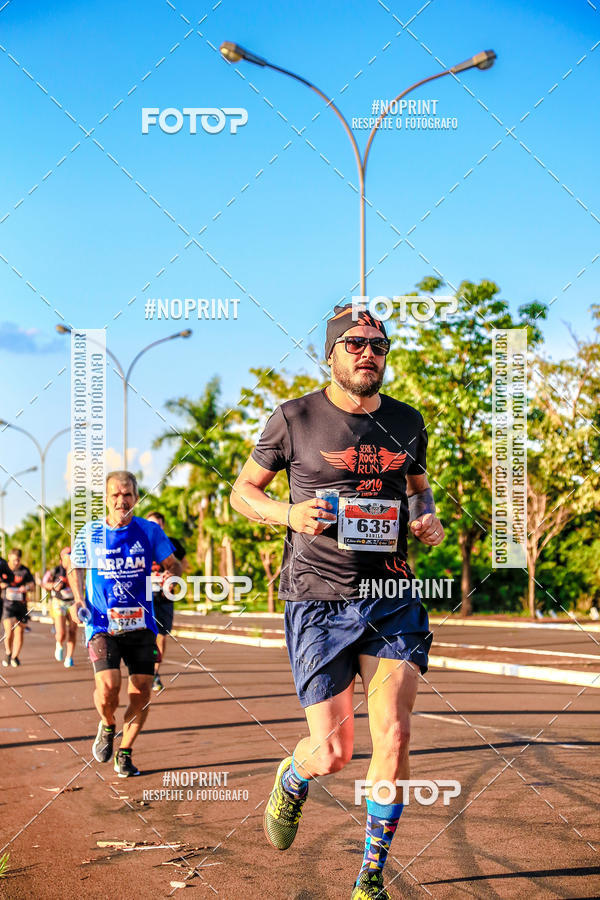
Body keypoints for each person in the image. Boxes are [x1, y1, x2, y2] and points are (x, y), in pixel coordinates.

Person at [230, 303, 445, 899]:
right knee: (332, 754)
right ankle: (293, 777)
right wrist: (289, 514)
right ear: (331, 352)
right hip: (318, 599)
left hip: (391, 596)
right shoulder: (294, 418)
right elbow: (242, 492)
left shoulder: (408, 422)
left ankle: (371, 875)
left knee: (394, 735)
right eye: (354, 344)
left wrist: (428, 522)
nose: (367, 353)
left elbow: (419, 495)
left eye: (378, 344)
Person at [66, 471, 182, 777]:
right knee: (108, 688)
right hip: (101, 623)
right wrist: (78, 600)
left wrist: (172, 575)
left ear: (136, 498)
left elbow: (174, 564)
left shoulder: (149, 531)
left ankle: (125, 752)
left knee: (142, 690)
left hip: (141, 624)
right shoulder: (89, 533)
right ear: (105, 499)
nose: (122, 500)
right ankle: (107, 725)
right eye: (115, 495)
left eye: (128, 494)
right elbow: (75, 568)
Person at [145, 511, 187, 693]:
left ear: (162, 526)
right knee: (146, 634)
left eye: (157, 525)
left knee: (161, 635)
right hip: (143, 595)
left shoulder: (172, 544)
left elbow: (182, 563)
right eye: (150, 525)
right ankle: (142, 670)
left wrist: (173, 578)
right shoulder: (139, 543)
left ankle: (155, 673)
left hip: (164, 595)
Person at [42, 547, 77, 668]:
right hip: (59, 602)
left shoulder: (77, 569)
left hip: (73, 602)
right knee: (61, 632)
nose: (70, 557)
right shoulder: (55, 570)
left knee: (73, 631)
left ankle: (69, 657)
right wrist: (53, 585)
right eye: (68, 555)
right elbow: (44, 582)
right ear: (62, 557)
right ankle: (59, 644)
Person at [2, 548, 35, 667]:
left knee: (19, 632)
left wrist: (25, 588)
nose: (16, 562)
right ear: (9, 557)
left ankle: (15, 657)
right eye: (14, 560)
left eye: (18, 560)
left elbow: (32, 586)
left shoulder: (24, 571)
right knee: (9, 631)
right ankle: (8, 653)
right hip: (7, 605)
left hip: (21, 606)